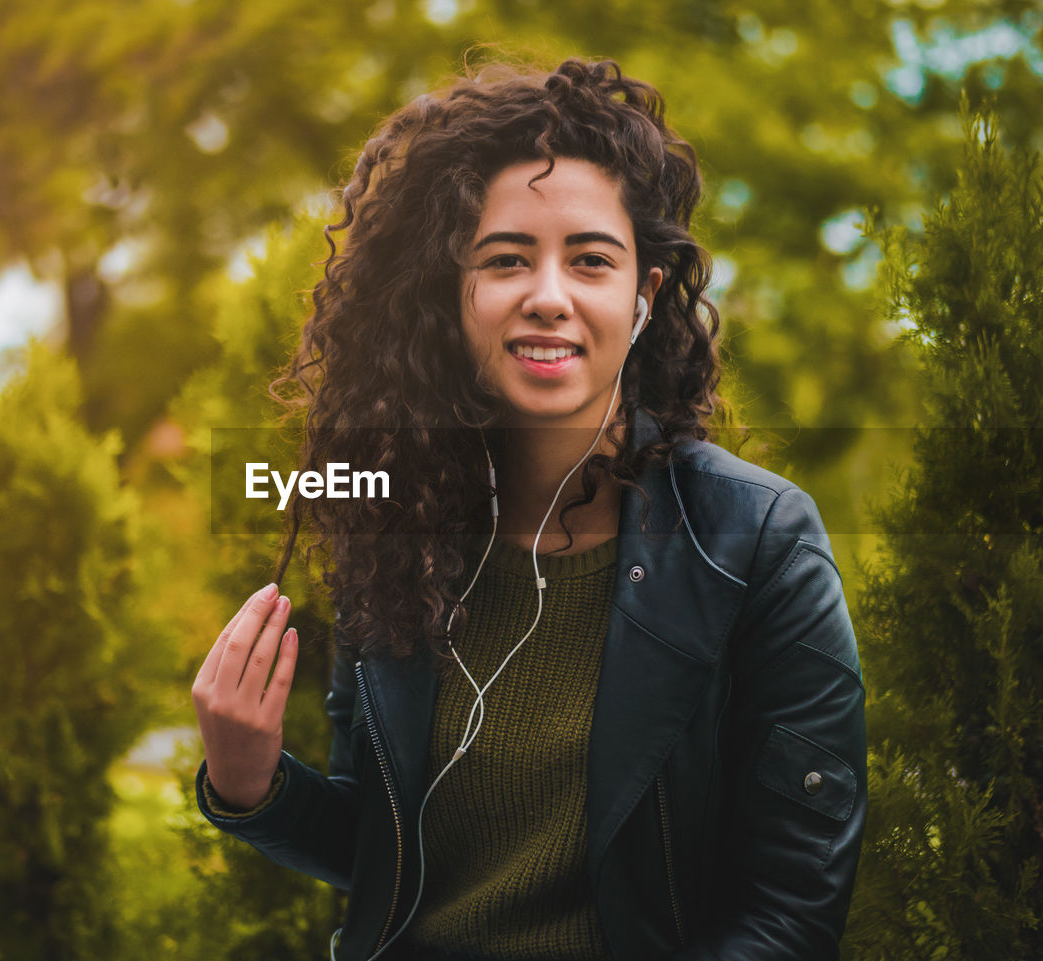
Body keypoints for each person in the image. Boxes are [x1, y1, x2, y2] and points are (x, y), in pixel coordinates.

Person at [191, 58, 867, 961]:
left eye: (591, 260)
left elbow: (791, 911)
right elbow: (384, 856)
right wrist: (250, 782)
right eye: (506, 259)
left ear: (643, 298)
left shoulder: (758, 542)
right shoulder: (401, 528)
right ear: (453, 296)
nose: (547, 295)